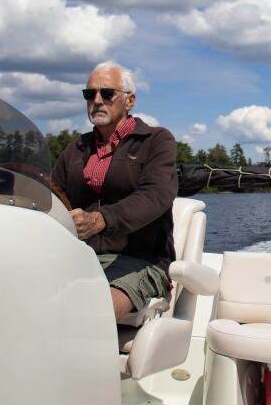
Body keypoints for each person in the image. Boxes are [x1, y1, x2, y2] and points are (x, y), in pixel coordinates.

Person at [52, 61, 178, 321]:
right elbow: (52, 196)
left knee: (92, 312)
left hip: (142, 259)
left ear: (130, 101)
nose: (97, 100)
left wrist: (100, 220)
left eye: (107, 94)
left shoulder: (156, 141)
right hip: (80, 257)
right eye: (90, 94)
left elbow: (155, 196)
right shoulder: (75, 149)